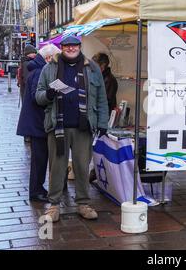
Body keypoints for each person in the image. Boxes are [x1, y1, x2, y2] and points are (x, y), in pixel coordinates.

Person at [36, 36, 109, 222]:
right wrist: (48, 94)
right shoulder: (49, 68)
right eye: (67, 46)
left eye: (74, 45)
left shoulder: (92, 68)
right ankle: (53, 205)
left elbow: (101, 97)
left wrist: (102, 122)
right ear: (61, 48)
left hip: (83, 127)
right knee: (57, 168)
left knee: (82, 167)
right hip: (57, 127)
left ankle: (83, 204)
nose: (70, 48)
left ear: (79, 47)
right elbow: (38, 96)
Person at [17, 44, 61, 202]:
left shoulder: (36, 69)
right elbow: (38, 98)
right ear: (49, 58)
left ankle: (38, 188)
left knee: (39, 158)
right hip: (38, 123)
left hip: (36, 122)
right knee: (39, 159)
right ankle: (36, 190)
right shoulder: (39, 71)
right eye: (56, 59)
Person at [89, 52, 118, 183]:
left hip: (104, 117)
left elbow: (106, 100)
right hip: (99, 116)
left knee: (100, 144)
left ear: (103, 66)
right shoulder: (99, 77)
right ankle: (95, 171)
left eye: (96, 65)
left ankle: (96, 171)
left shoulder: (109, 80)